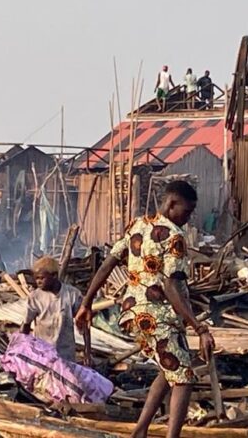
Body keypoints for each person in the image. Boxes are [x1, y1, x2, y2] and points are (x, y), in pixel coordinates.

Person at [75, 181, 214, 438]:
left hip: (132, 313)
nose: (189, 217)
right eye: (187, 210)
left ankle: (139, 431)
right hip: (156, 316)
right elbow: (172, 287)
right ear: (172, 204)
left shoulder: (138, 225)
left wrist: (87, 303)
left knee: (169, 368)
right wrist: (199, 327)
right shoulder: (174, 236)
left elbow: (108, 264)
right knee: (184, 378)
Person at [22, 256, 83, 362]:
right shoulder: (35, 297)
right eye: (36, 278)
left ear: (54, 276)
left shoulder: (72, 294)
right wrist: (22, 349)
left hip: (65, 354)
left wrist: (87, 352)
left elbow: (83, 322)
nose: (38, 282)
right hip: (42, 353)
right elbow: (26, 325)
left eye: (42, 278)